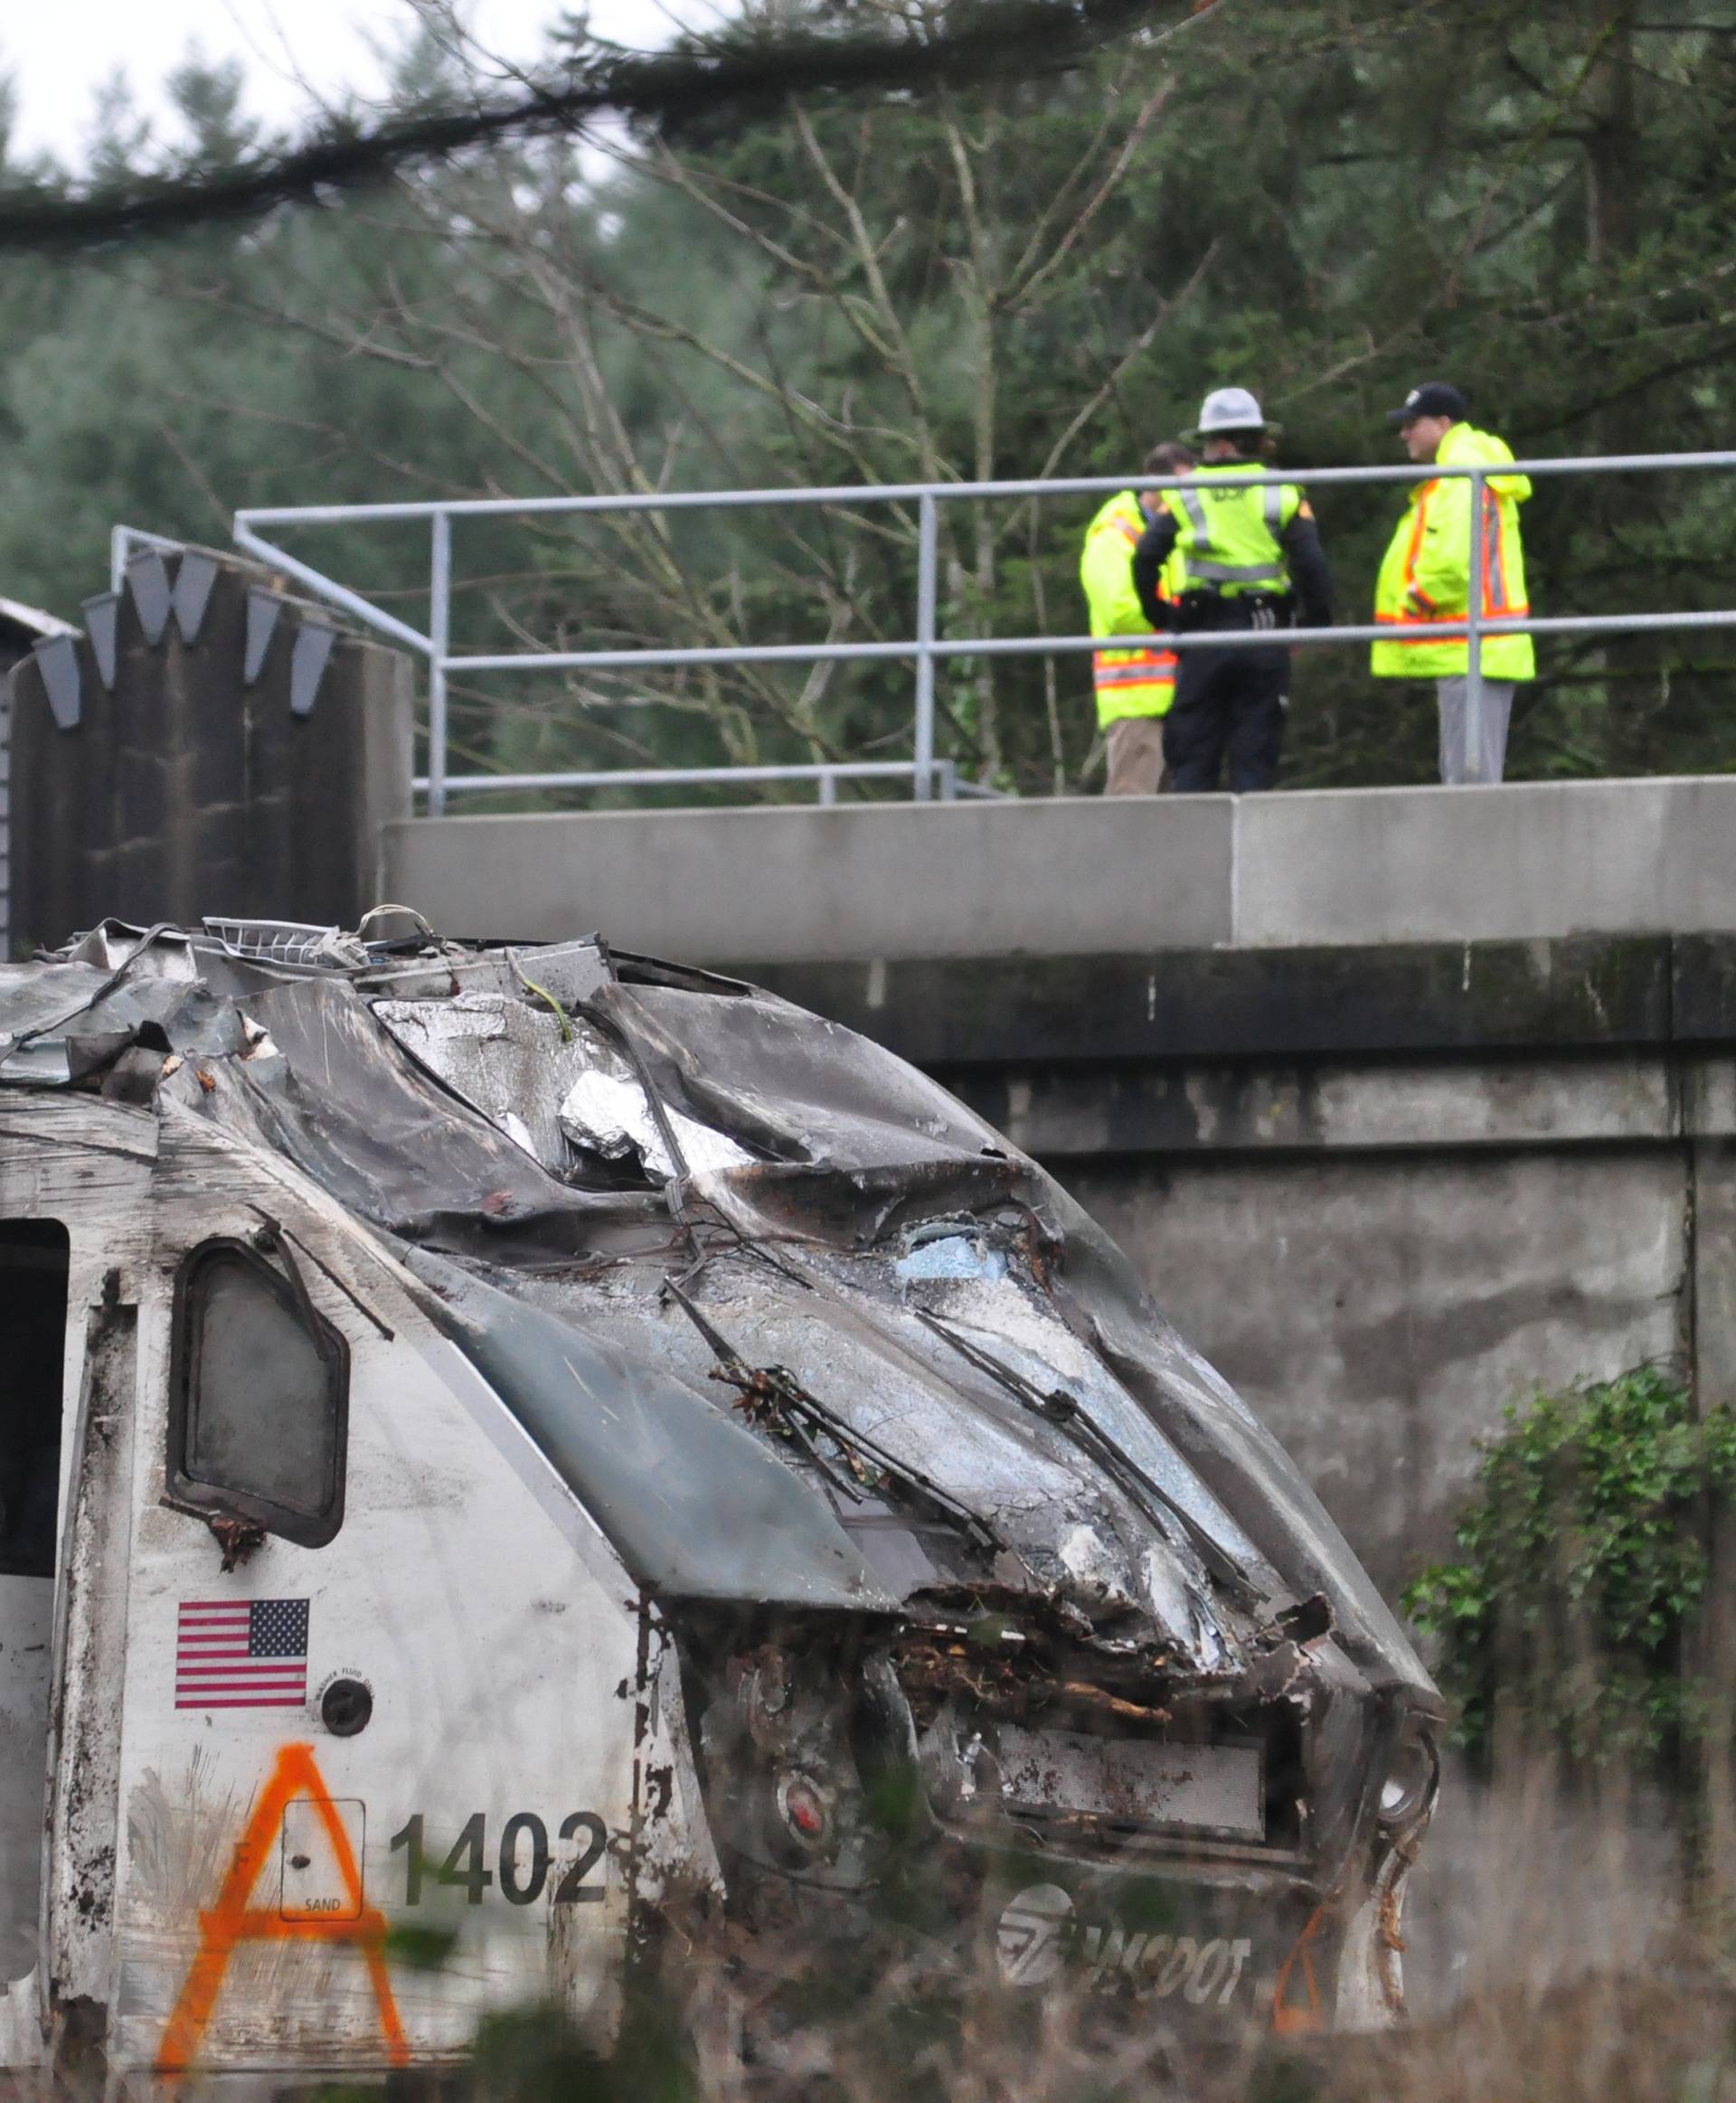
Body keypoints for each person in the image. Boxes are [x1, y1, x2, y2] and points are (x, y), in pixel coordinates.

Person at [1131, 388, 1334, 793]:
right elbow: (1312, 565)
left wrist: (1160, 615)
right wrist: (1316, 622)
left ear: (1219, 444)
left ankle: (1191, 849)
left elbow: (1145, 558)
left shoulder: (1186, 491)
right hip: (1263, 629)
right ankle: (1253, 850)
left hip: (1202, 630)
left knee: (1192, 755)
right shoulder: (1282, 490)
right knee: (1255, 756)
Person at [1371, 382, 1534, 784]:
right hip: (1478, 642)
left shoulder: (1461, 470)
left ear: (1443, 424)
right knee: (1467, 773)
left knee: (1468, 780)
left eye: (1412, 424)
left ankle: (1475, 849)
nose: (1403, 433)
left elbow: (1453, 555)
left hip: (1474, 643)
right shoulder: (1465, 464)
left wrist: (1418, 599)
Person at [1078, 441, 1195, 795]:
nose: (1192, 497)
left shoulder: (1175, 531)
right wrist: (1181, 617)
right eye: (1185, 486)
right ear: (1156, 484)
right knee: (1132, 809)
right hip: (1136, 700)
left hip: (1179, 694)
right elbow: (1120, 610)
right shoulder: (1114, 534)